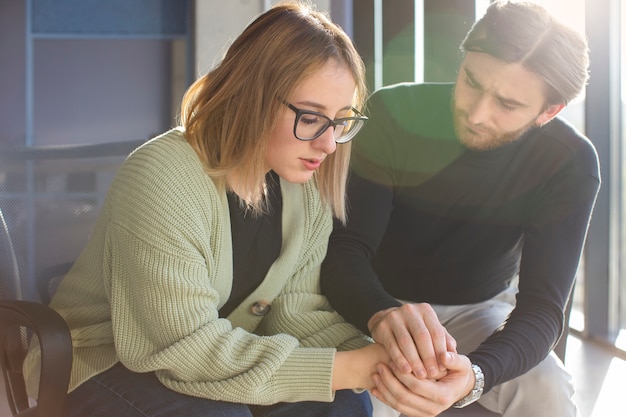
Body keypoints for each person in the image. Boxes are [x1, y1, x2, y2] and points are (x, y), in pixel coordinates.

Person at [22, 2, 402, 416]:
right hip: (105, 363)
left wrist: (388, 362)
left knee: (343, 404)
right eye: (311, 118)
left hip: (216, 363)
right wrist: (347, 368)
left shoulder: (302, 191)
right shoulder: (162, 175)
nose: (328, 144)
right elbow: (182, 346)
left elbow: (296, 315)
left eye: (341, 121)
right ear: (251, 96)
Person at [321, 1, 600, 416]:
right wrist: (380, 313)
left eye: (507, 104)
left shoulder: (570, 162)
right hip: (375, 303)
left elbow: (543, 308)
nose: (477, 113)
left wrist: (476, 376)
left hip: (480, 310)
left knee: (550, 391)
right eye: (471, 81)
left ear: (549, 112)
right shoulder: (393, 114)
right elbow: (344, 250)